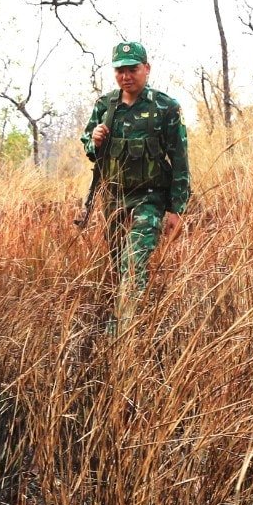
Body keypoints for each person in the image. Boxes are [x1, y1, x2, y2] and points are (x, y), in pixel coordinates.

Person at [82, 41, 190, 326]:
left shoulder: (166, 107)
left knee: (134, 263)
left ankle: (122, 335)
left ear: (146, 69)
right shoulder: (105, 106)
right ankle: (134, 321)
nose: (126, 76)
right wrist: (94, 140)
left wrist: (177, 209)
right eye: (120, 70)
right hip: (114, 197)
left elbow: (180, 160)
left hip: (150, 198)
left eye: (132, 69)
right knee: (119, 266)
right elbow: (88, 147)